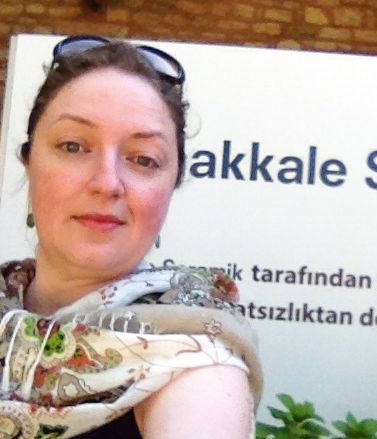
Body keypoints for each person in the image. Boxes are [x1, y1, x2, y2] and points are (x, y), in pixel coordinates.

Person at [0, 36, 262, 438]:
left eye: (143, 159)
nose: (107, 183)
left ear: (171, 185)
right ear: (29, 162)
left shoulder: (191, 354)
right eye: (73, 146)